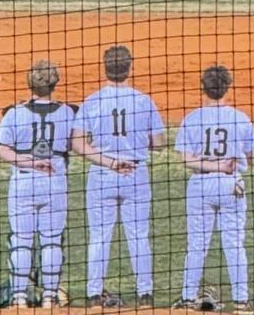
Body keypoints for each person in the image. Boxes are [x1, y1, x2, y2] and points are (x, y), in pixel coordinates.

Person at [70, 45, 165, 309]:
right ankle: (145, 294)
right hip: (135, 173)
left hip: (103, 173)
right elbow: (158, 143)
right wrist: (134, 144)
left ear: (105, 67)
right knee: (138, 235)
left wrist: (110, 160)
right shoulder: (143, 100)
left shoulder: (93, 100)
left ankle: (94, 294)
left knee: (100, 235)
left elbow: (78, 144)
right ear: (129, 67)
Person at [171, 65, 254, 314]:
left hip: (201, 184)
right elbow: (251, 157)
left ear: (204, 88)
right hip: (231, 184)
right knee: (234, 244)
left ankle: (188, 298)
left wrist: (210, 165)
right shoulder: (240, 118)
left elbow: (186, 160)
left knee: (197, 243)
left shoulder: (192, 118)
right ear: (228, 87)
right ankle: (242, 302)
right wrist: (226, 165)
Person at [0, 60, 77, 310]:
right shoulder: (68, 112)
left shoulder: (14, 113)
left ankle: (19, 297)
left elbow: (2, 150)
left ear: (29, 83)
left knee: (21, 239)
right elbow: (75, 143)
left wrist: (26, 160)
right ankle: (50, 297)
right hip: (54, 181)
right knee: (51, 240)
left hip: (23, 181)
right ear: (55, 83)